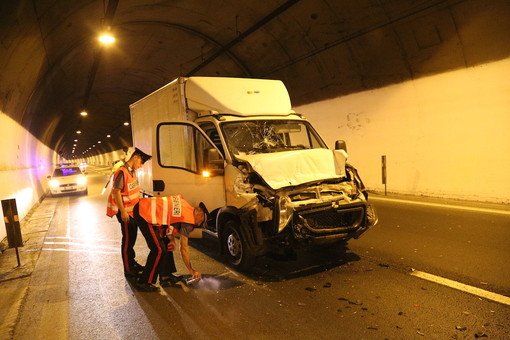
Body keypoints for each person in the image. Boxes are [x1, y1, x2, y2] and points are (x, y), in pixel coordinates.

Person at [133, 195, 207, 292]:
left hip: (145, 208)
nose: (197, 225)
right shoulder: (188, 220)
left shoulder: (186, 207)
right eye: (200, 222)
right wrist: (191, 270)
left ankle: (165, 276)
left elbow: (169, 223)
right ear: (200, 214)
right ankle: (144, 282)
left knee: (167, 244)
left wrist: (171, 240)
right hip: (144, 212)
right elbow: (183, 248)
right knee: (158, 249)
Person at [106, 147, 152, 278]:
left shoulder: (132, 171)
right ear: (136, 157)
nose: (141, 165)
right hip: (126, 213)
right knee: (127, 241)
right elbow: (116, 192)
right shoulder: (122, 172)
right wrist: (123, 211)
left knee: (131, 240)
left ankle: (132, 263)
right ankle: (128, 269)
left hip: (133, 212)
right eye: (141, 162)